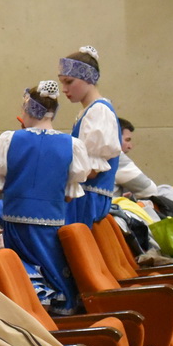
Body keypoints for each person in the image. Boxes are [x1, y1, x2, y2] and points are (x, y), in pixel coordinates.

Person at [0, 81, 89, 312]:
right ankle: (62, 315)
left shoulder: (10, 140)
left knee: (21, 278)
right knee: (54, 273)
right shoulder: (71, 145)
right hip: (51, 225)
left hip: (15, 224)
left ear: (28, 109)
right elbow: (69, 195)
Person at [59, 45, 120, 226]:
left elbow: (91, 171)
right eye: (62, 83)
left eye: (69, 82)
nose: (64, 89)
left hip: (88, 200)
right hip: (83, 198)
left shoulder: (99, 111)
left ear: (88, 79)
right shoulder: (89, 111)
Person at [114, 117, 160, 199]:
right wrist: (131, 198)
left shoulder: (90, 151)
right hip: (109, 206)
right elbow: (150, 191)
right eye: (127, 140)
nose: (130, 146)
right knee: (167, 190)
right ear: (115, 138)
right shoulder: (115, 156)